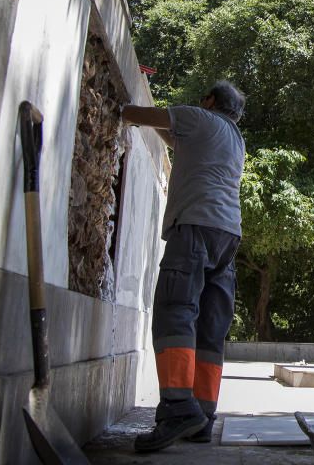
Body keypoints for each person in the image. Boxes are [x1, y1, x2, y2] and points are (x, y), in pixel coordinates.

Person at [122, 81, 246, 452]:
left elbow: (138, 114)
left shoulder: (197, 118)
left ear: (209, 101)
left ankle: (177, 408)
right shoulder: (233, 139)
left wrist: (126, 108)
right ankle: (202, 418)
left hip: (194, 226)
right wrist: (167, 127)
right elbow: (175, 139)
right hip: (228, 236)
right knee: (210, 327)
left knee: (175, 312)